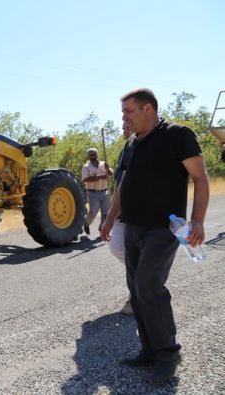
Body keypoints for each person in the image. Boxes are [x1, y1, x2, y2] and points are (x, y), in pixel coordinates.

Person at [101, 88, 209, 383]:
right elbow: (124, 184)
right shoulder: (133, 143)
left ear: (148, 108)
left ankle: (168, 353)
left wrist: (197, 219)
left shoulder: (177, 134)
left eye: (128, 111)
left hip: (163, 227)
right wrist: (110, 219)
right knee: (136, 288)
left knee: (149, 283)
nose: (123, 117)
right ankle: (149, 349)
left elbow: (200, 176)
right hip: (133, 225)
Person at [108, 122, 135, 316]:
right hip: (120, 210)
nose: (125, 128)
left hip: (137, 211)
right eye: (123, 126)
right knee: (116, 247)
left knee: (136, 254)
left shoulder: (142, 146)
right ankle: (145, 277)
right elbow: (120, 183)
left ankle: (137, 296)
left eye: (128, 125)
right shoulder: (126, 149)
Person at [81, 148, 113, 235]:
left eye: (94, 154)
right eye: (90, 155)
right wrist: (99, 177)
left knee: (105, 213)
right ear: (87, 156)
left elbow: (110, 174)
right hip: (92, 193)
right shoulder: (86, 166)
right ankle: (86, 223)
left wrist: (108, 169)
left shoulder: (103, 164)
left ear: (97, 154)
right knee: (93, 212)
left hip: (105, 192)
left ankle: (101, 229)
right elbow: (85, 179)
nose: (92, 156)